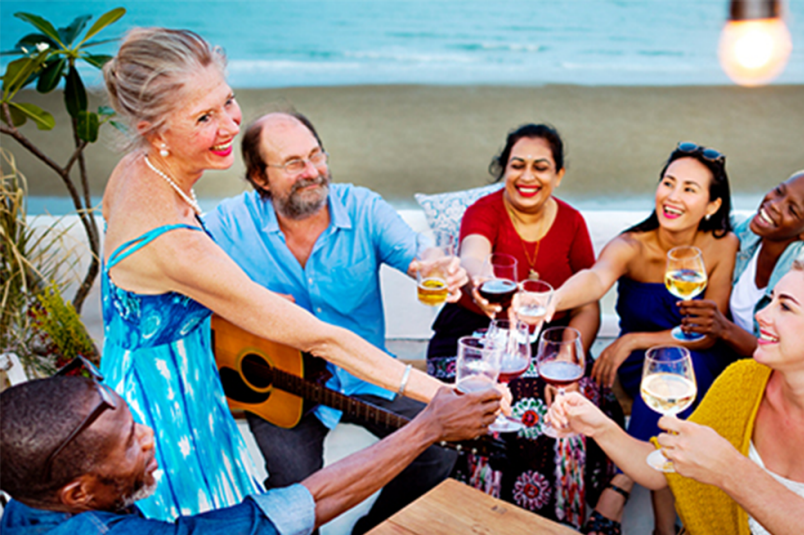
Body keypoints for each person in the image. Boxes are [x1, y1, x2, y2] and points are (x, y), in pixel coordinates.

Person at [99, 28, 455, 521]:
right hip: (164, 402)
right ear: (153, 130)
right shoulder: (174, 243)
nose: (228, 125)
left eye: (228, 101)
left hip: (157, 369)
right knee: (208, 519)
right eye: (204, 117)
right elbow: (320, 338)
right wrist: (443, 395)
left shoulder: (136, 168)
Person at [203, 110, 466, 534]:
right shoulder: (227, 223)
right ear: (259, 178)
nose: (312, 172)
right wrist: (243, 303)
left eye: (315, 155)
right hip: (279, 384)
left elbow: (419, 255)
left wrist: (435, 266)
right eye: (292, 164)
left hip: (364, 374)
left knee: (441, 449)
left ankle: (369, 529)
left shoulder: (362, 208)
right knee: (293, 491)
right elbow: (174, 281)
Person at [549, 258, 804, 535]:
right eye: (770, 299)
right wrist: (599, 426)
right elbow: (663, 467)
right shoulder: (742, 382)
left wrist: (730, 470)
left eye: (785, 307)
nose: (763, 315)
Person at [0, 373, 501, 534]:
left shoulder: (31, 499)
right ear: (78, 491)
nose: (152, 437)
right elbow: (298, 508)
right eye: (131, 442)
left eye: (137, 423)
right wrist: (427, 427)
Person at [547, 142, 739, 535]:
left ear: (712, 205)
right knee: (665, 382)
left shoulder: (722, 245)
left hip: (699, 358)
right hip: (642, 368)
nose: (673, 196)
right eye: (668, 183)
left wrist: (634, 340)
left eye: (689, 189)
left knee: (673, 374)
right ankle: (666, 528)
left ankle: (621, 487)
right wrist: (550, 300)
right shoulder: (631, 245)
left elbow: (705, 334)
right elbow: (596, 279)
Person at [425, 124, 611, 527]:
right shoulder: (485, 210)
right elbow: (474, 255)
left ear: (558, 175)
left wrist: (564, 360)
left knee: (575, 406)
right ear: (502, 169)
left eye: (541, 167)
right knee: (511, 404)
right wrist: (482, 282)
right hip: (474, 335)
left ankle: (564, 522)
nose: (528, 177)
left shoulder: (573, 222)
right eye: (517, 165)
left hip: (550, 339)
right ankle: (483, 521)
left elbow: (589, 301)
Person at [677, 169, 804, 355]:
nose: (774, 204)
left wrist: (724, 329)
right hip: (726, 356)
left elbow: (787, 355)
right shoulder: (743, 232)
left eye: (792, 209)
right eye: (779, 191)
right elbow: (699, 222)